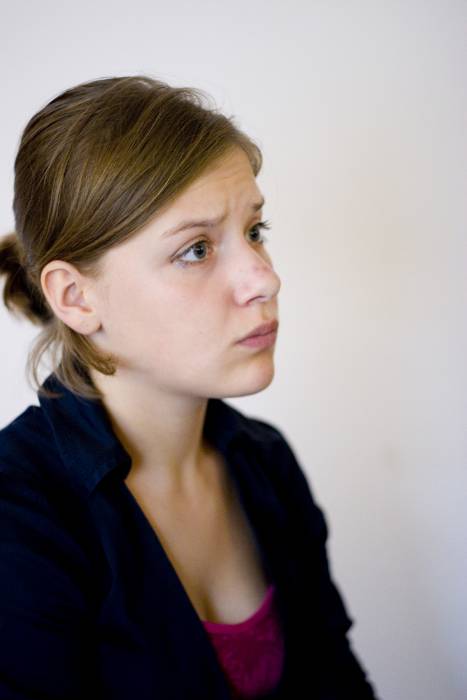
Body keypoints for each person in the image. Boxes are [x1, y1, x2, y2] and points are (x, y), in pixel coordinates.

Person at [0, 75, 380, 699]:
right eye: (196, 249)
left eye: (255, 232)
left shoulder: (265, 462)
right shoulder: (20, 518)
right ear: (76, 296)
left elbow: (337, 681)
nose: (264, 279)